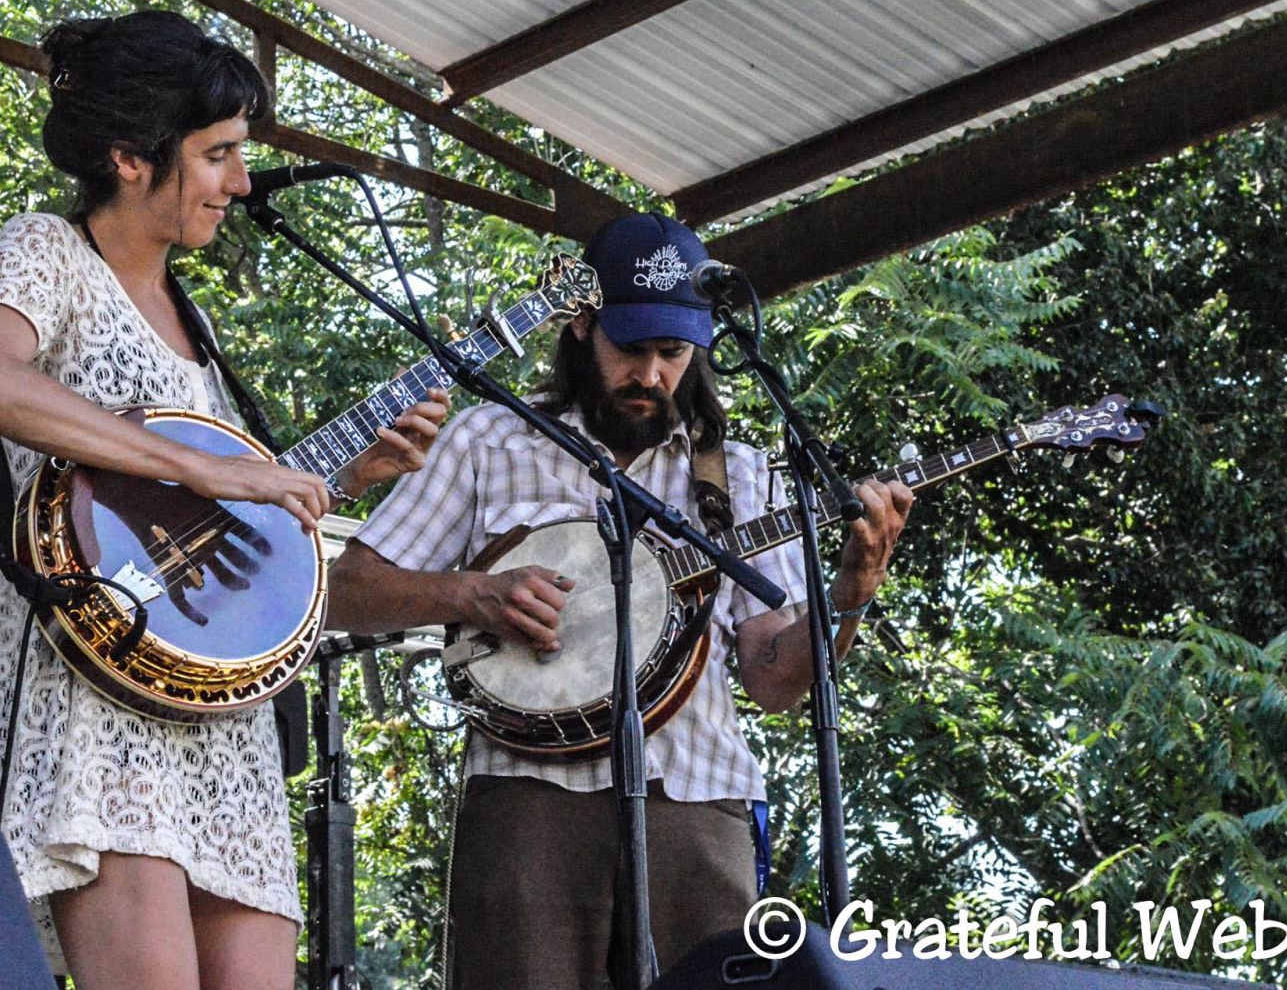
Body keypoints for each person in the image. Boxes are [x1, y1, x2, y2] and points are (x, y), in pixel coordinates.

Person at [0, 10, 448, 990]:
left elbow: (196, 518)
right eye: (217, 155)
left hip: (224, 726)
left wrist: (346, 475)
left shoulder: (196, 323)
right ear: (131, 157)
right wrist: (209, 468)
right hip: (99, 705)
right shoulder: (48, 251)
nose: (242, 183)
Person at [326, 212, 913, 988]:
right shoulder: (489, 440)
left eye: (673, 353)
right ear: (581, 325)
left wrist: (851, 593)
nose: (651, 375)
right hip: (529, 795)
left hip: (696, 794)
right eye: (630, 348)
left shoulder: (735, 473)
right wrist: (473, 592)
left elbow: (774, 677)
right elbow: (345, 591)